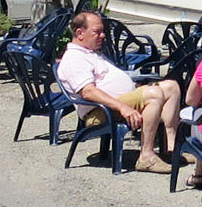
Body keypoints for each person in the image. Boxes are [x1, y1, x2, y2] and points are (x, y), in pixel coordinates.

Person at [56, 9, 183, 172]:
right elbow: (88, 92)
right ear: (80, 33)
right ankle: (146, 157)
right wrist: (123, 107)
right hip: (100, 112)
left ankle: (170, 150)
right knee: (154, 95)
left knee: (171, 87)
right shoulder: (74, 58)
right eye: (97, 32)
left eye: (102, 31)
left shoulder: (90, 52)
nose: (103, 35)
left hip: (117, 103)